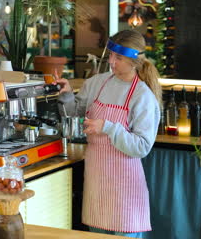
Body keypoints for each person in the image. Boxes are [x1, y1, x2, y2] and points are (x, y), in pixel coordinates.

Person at [54, 29, 162, 238]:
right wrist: (67, 95)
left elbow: (142, 147)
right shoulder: (97, 82)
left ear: (134, 61)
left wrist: (108, 127)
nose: (111, 62)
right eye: (110, 55)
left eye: (118, 58)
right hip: (96, 179)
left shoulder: (142, 96)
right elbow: (75, 114)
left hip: (125, 188)